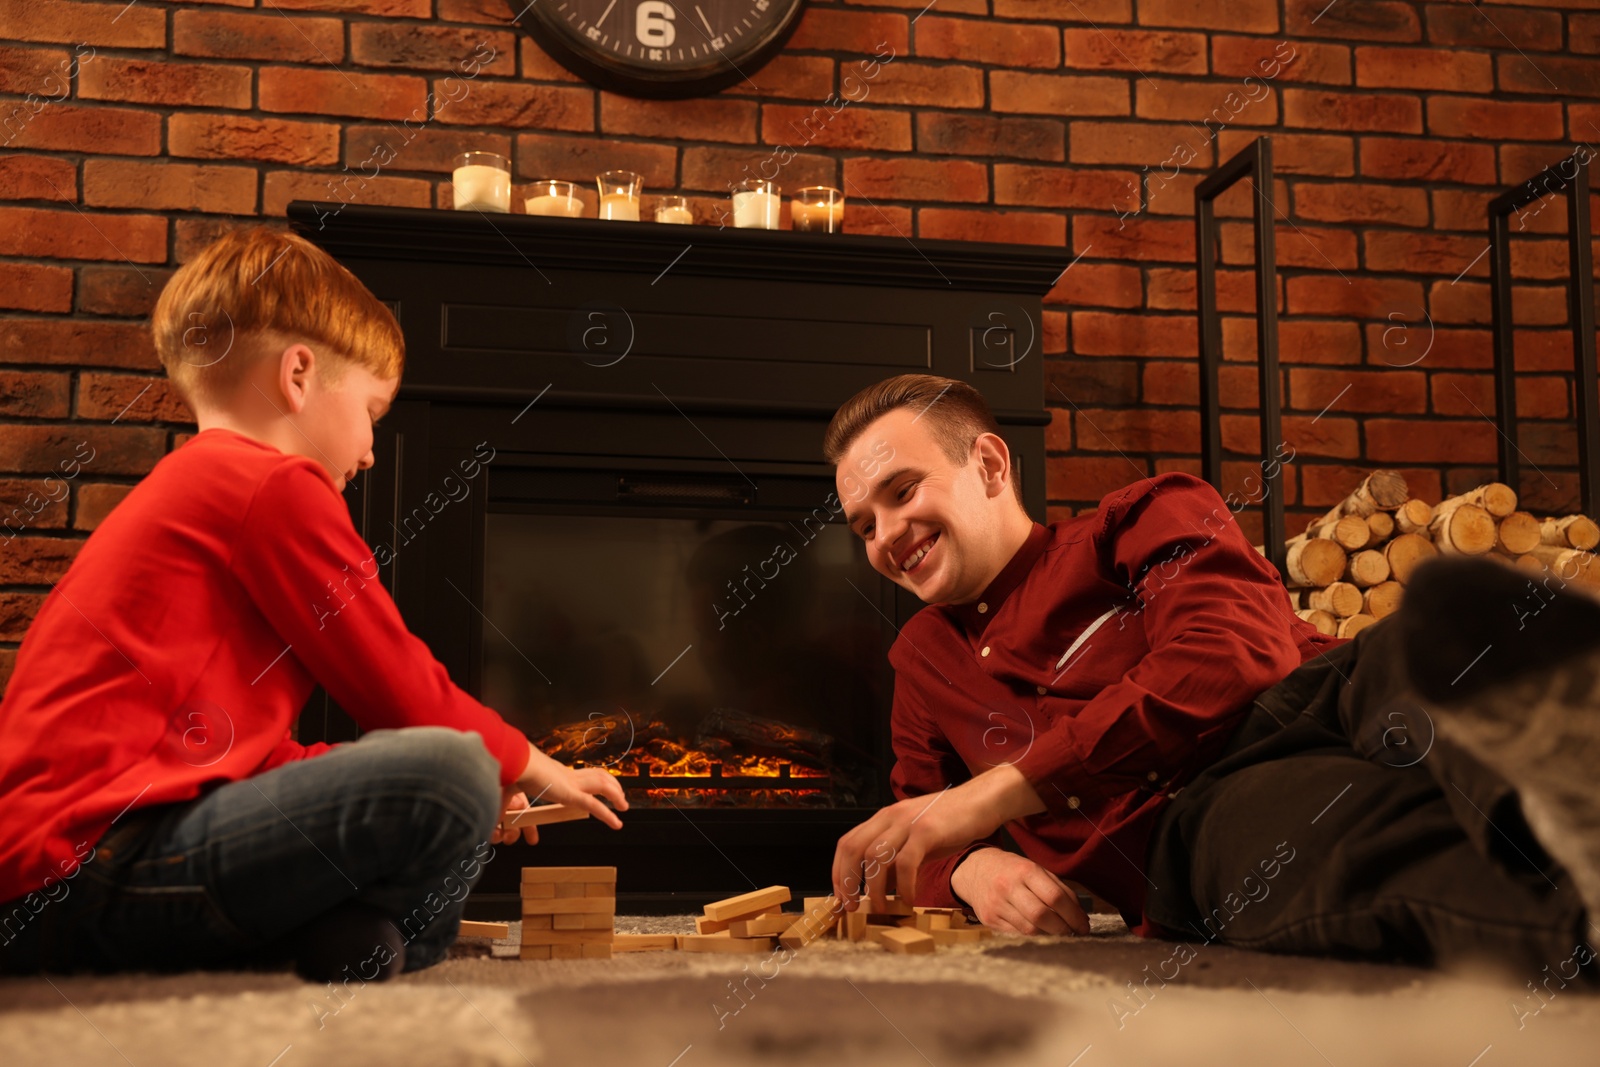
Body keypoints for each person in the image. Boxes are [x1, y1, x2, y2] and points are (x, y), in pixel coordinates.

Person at [0, 227, 627, 983]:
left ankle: (327, 942)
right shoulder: (269, 485)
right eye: (371, 411)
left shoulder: (196, 489)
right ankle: (342, 936)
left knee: (455, 775)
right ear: (298, 375)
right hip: (92, 862)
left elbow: (250, 761)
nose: (368, 451)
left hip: (71, 875)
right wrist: (528, 761)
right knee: (451, 770)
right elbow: (393, 682)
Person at [827, 372, 1600, 979]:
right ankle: (1576, 913)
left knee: (1437, 624)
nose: (888, 535)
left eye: (902, 492)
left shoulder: (1140, 517)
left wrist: (1002, 789)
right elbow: (910, 831)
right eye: (865, 525)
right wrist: (972, 866)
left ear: (989, 463)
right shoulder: (923, 659)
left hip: (1327, 685)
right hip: (1200, 808)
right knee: (1368, 839)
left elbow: (1228, 654)